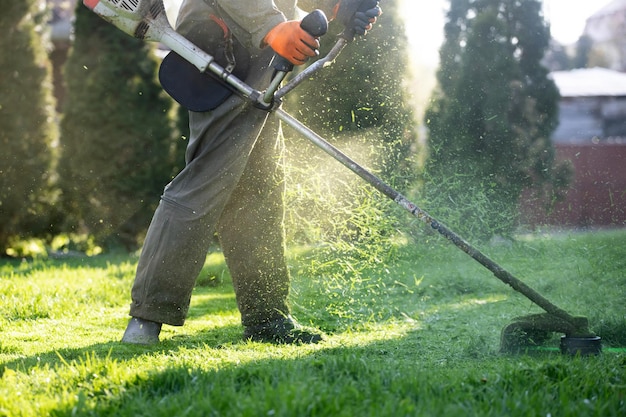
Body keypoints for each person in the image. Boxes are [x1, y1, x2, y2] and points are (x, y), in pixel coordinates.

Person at [121, 0, 381, 345]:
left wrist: (336, 6)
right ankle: (148, 315)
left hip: (265, 50)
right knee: (207, 177)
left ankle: (267, 318)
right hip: (224, 41)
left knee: (259, 184)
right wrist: (270, 25)